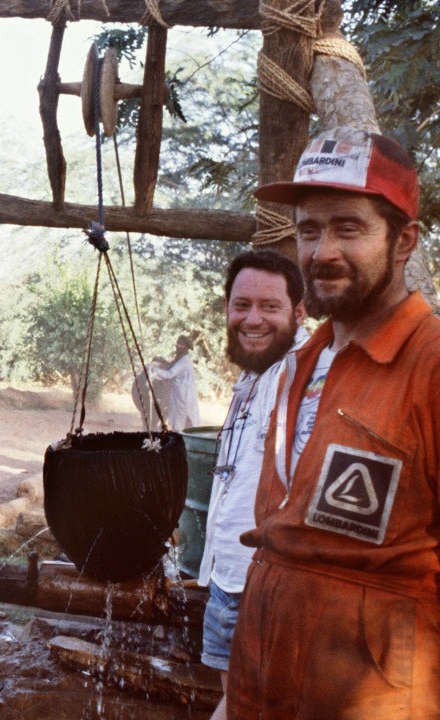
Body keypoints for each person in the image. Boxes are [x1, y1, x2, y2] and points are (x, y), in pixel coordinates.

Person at [228, 127, 440, 719]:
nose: (322, 251)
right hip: (260, 680)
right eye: (308, 230)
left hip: (377, 698)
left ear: (404, 241)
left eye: (349, 228)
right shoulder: (302, 362)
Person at [198, 250, 308, 720]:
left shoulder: (304, 375)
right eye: (241, 304)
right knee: (238, 705)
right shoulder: (254, 374)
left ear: (299, 314)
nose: (252, 318)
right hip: (229, 577)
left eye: (270, 306)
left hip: (269, 587)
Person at [146, 334, 201, 431]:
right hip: (178, 394)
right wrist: (162, 361)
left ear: (185, 348)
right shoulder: (179, 358)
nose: (177, 346)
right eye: (177, 343)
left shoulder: (185, 360)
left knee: (182, 419)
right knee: (177, 418)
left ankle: (182, 438)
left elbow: (170, 373)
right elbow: (170, 366)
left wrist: (154, 370)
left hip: (184, 396)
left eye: (180, 344)